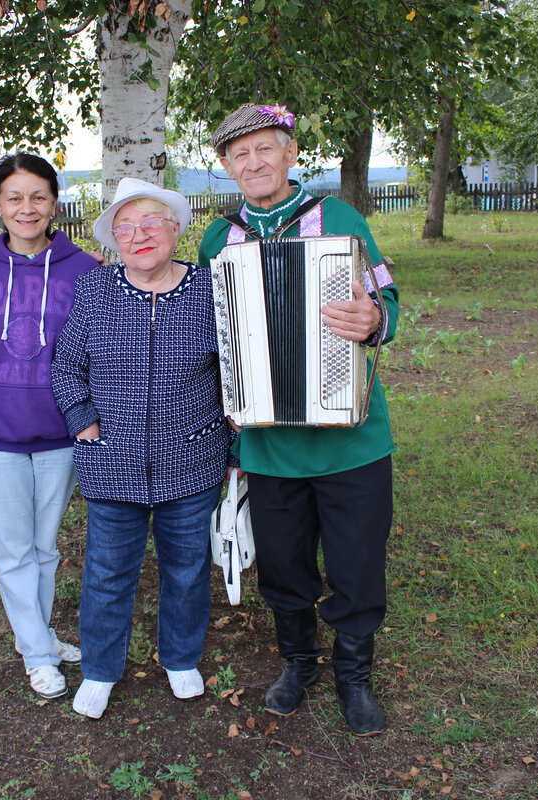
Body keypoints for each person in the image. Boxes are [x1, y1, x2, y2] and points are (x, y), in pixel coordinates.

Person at [198, 104, 400, 736]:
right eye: (239, 154)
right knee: (283, 564)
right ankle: (299, 662)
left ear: (289, 153)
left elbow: (386, 297)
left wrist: (374, 321)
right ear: (227, 166)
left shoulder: (336, 218)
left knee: (356, 560)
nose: (253, 162)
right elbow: (209, 329)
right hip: (266, 440)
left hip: (350, 438)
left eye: (265, 149)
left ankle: (354, 676)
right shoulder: (216, 238)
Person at [52, 178, 232, 720]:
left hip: (192, 458)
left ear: (176, 229)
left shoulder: (210, 288)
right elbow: (66, 366)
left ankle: (180, 659)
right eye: (126, 228)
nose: (140, 235)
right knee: (107, 574)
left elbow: (237, 370)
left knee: (186, 568)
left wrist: (234, 440)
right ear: (114, 241)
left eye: (152, 222)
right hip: (113, 462)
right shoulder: (96, 290)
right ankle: (102, 669)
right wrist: (83, 422)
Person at [0, 153, 98, 699]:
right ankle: (39, 653)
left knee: (45, 547)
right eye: (14, 197)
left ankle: (36, 635)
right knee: (14, 549)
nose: (27, 208)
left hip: (61, 433)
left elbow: (99, 350)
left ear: (55, 204)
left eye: (38, 196)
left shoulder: (84, 269)